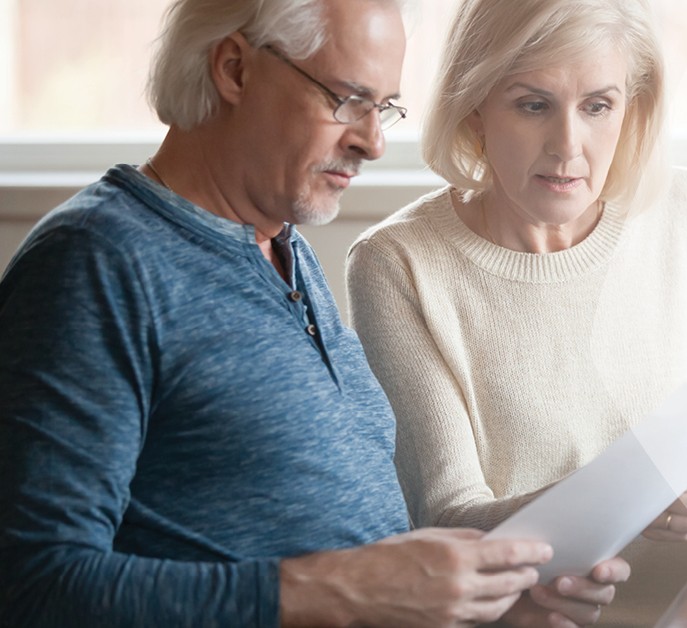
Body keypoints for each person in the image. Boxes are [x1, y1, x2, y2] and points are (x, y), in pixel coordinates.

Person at [0, 0, 628, 626]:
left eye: (382, 108)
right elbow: (33, 585)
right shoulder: (95, 264)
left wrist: (483, 602)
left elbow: (337, 553)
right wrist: (335, 590)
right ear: (235, 70)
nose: (373, 142)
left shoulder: (282, 248)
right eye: (348, 100)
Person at [346, 0, 687, 624]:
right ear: (474, 107)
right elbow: (451, 519)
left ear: (631, 110)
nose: (568, 146)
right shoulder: (397, 263)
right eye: (533, 104)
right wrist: (628, 497)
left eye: (598, 106)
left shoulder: (686, 213)